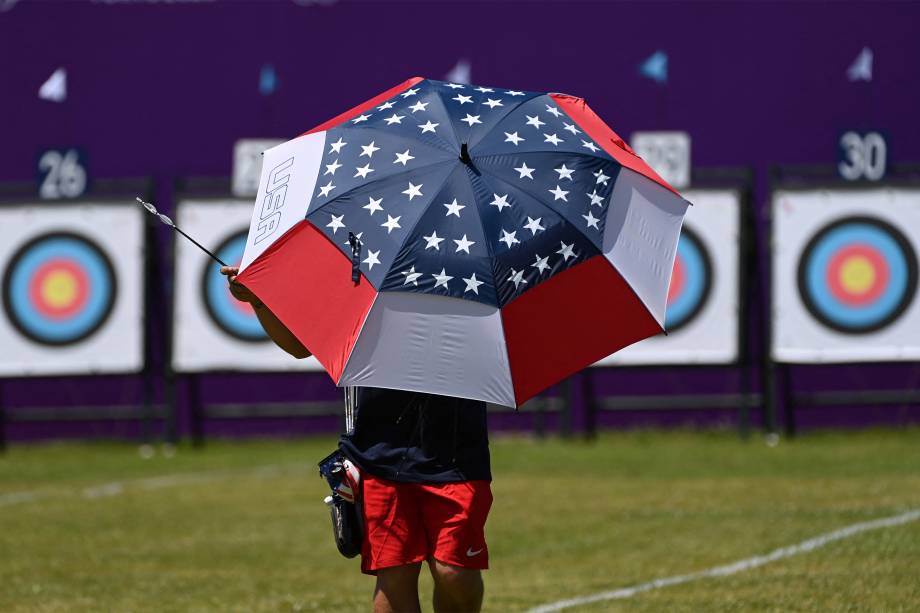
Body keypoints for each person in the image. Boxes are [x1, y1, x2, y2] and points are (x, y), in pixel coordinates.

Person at [221, 266, 492, 613]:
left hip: (456, 446)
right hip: (378, 447)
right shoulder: (360, 263)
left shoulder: (468, 262)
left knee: (455, 572)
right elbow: (299, 346)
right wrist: (258, 301)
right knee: (394, 574)